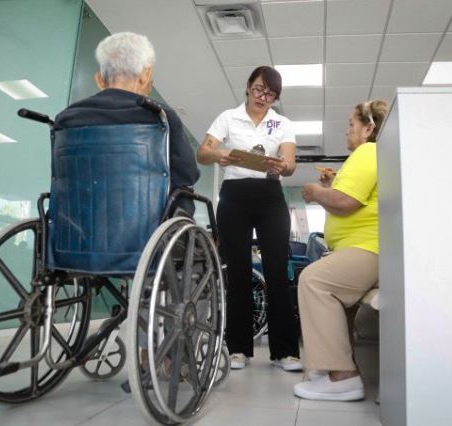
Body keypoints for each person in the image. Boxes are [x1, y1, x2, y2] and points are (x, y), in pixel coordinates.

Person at [197, 66, 302, 372]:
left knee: (277, 272)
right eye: (258, 89)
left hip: (270, 197)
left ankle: (285, 352)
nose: (262, 97)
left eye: (270, 94)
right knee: (238, 272)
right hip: (234, 197)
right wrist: (220, 155)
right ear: (247, 87)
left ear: (275, 98)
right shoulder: (227, 118)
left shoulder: (282, 123)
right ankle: (237, 349)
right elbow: (202, 153)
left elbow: (291, 164)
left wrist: (283, 166)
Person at [293, 99, 388, 401]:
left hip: (369, 248)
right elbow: (354, 198)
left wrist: (315, 192)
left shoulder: (368, 151)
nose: (347, 130)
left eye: (351, 124)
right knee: (334, 294)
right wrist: (333, 184)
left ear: (368, 129)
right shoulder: (373, 156)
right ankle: (336, 368)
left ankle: (343, 377)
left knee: (314, 280)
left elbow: (345, 203)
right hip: (364, 248)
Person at [54, 32, 199, 215]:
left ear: (99, 79)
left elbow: (60, 174)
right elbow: (187, 174)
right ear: (145, 75)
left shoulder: (66, 118)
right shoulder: (160, 115)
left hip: (79, 217)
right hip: (148, 219)